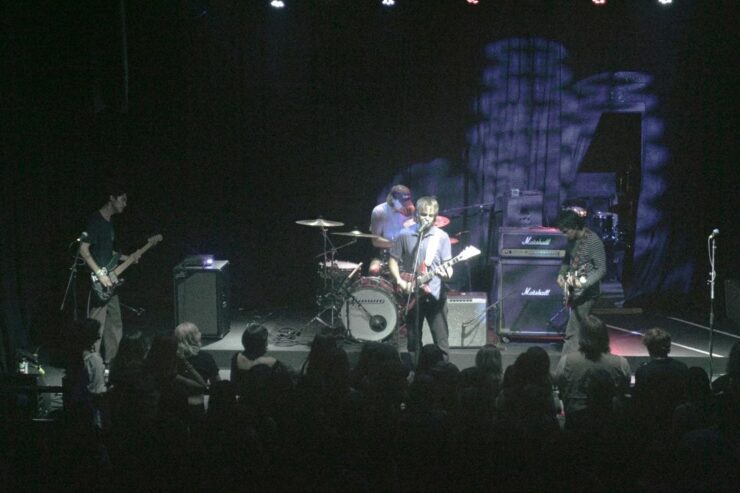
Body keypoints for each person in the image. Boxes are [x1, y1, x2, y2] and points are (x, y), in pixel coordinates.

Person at [389, 196, 453, 366]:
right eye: (424, 214)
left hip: (435, 295)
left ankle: (444, 371)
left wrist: (447, 275)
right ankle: (415, 371)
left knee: (441, 339)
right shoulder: (404, 234)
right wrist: (399, 281)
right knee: (413, 339)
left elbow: (449, 266)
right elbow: (393, 260)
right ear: (416, 214)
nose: (427, 218)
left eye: (431, 215)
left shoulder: (441, 237)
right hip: (412, 293)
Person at [79, 187, 131, 364]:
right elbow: (83, 250)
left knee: (115, 322)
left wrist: (128, 258)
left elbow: (108, 252)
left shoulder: (109, 223)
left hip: (110, 282)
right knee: (95, 325)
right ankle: (90, 363)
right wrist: (100, 274)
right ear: (112, 198)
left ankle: (112, 363)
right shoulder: (96, 220)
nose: (125, 204)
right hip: (99, 282)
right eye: (122, 199)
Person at [554, 315, 631, 420]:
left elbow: (560, 387)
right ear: (605, 336)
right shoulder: (621, 363)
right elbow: (624, 391)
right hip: (610, 422)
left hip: (576, 423)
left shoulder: (566, 361)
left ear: (581, 336)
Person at [555, 209, 607, 354]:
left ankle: (567, 362)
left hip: (587, 293)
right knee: (579, 329)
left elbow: (601, 269)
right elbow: (568, 259)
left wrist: (583, 284)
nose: (564, 235)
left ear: (576, 227)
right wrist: (561, 274)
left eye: (566, 231)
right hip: (574, 290)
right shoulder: (572, 240)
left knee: (573, 331)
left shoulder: (593, 241)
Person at [368, 185, 415, 276]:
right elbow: (375, 241)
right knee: (373, 270)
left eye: (407, 202)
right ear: (393, 200)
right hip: (385, 253)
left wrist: (413, 217)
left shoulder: (409, 210)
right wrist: (399, 246)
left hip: (405, 255)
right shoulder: (379, 211)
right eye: (403, 203)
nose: (406, 205)